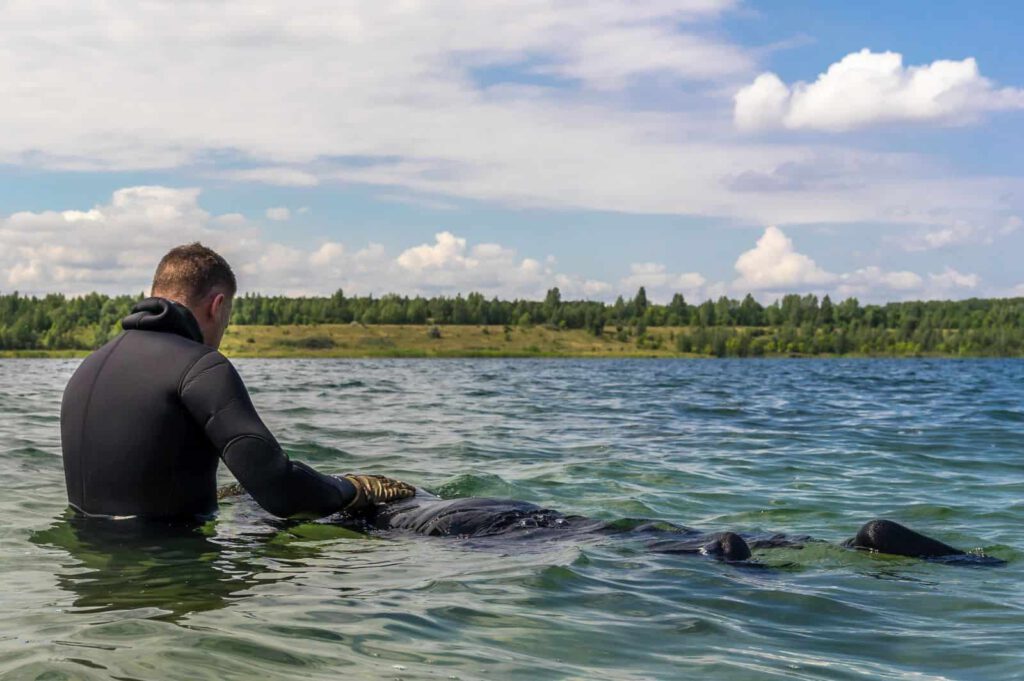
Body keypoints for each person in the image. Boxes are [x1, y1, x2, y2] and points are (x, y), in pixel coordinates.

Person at [60, 243, 414, 521]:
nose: (222, 334)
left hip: (89, 585)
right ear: (217, 305)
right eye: (226, 322)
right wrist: (353, 488)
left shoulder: (87, 368)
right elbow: (281, 491)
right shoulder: (200, 367)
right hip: (174, 584)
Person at [220, 483, 1002, 565]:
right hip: (526, 513)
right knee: (622, 533)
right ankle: (860, 542)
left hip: (505, 534)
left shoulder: (379, 527)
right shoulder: (405, 497)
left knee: (646, 550)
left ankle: (716, 553)